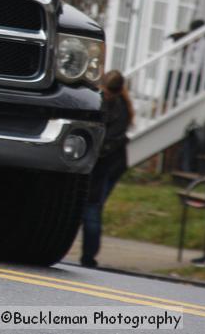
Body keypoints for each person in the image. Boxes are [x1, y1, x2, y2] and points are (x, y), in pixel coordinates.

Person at [80, 70, 133, 269]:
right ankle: (86, 254)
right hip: (101, 163)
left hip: (108, 166)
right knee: (89, 207)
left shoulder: (120, 109)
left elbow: (107, 142)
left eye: (110, 92)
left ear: (117, 91)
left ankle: (88, 256)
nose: (107, 94)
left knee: (92, 207)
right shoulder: (107, 101)